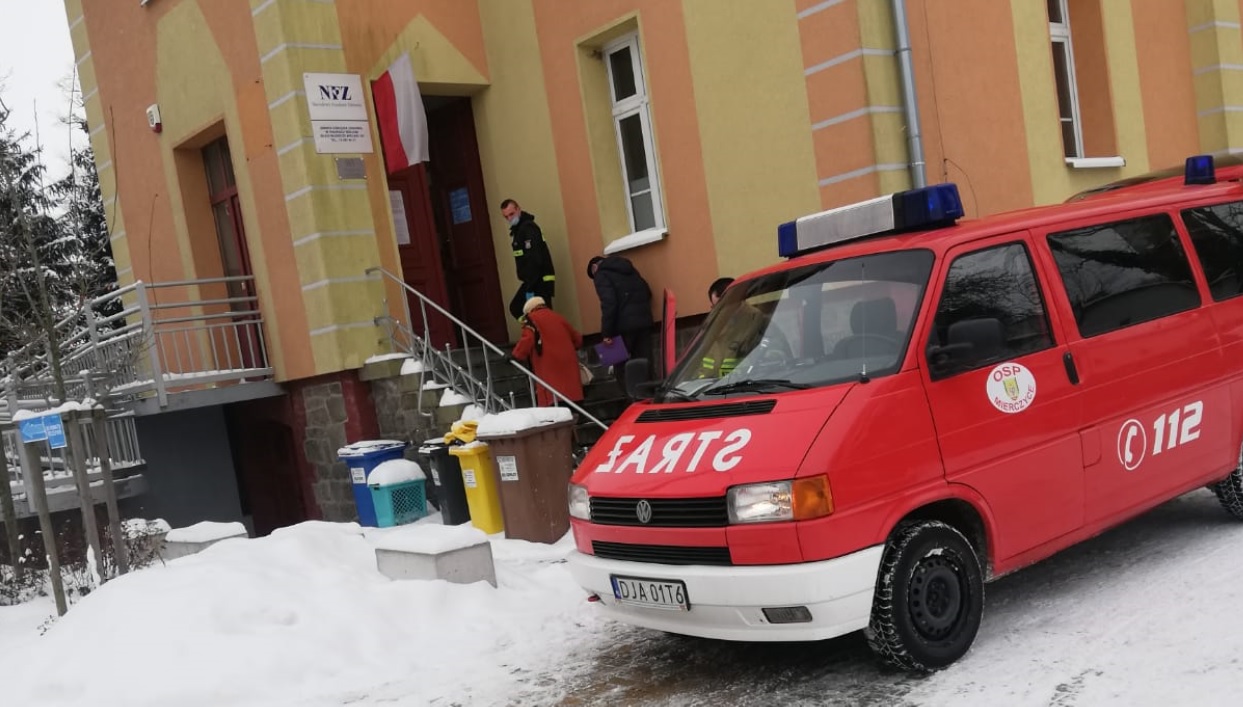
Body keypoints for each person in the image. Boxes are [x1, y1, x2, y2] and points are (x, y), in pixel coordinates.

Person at [511, 296, 584, 407]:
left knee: (552, 396)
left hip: (548, 366)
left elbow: (528, 339)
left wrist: (516, 355)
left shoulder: (531, 320)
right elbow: (577, 339)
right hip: (567, 363)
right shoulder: (558, 317)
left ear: (529, 310)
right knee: (570, 397)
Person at [588, 255, 653, 366]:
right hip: (644, 322)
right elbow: (647, 292)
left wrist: (607, 334)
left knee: (620, 366)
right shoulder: (629, 269)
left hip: (623, 328)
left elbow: (609, 303)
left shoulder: (601, 274)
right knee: (645, 365)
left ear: (594, 267)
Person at [501, 199, 556, 320]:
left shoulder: (528, 228)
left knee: (519, 308)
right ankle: (534, 328)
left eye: (511, 214)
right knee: (540, 315)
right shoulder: (519, 230)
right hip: (534, 280)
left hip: (539, 280)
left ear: (518, 209)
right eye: (506, 217)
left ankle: (534, 328)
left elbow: (535, 258)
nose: (510, 219)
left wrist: (530, 287)